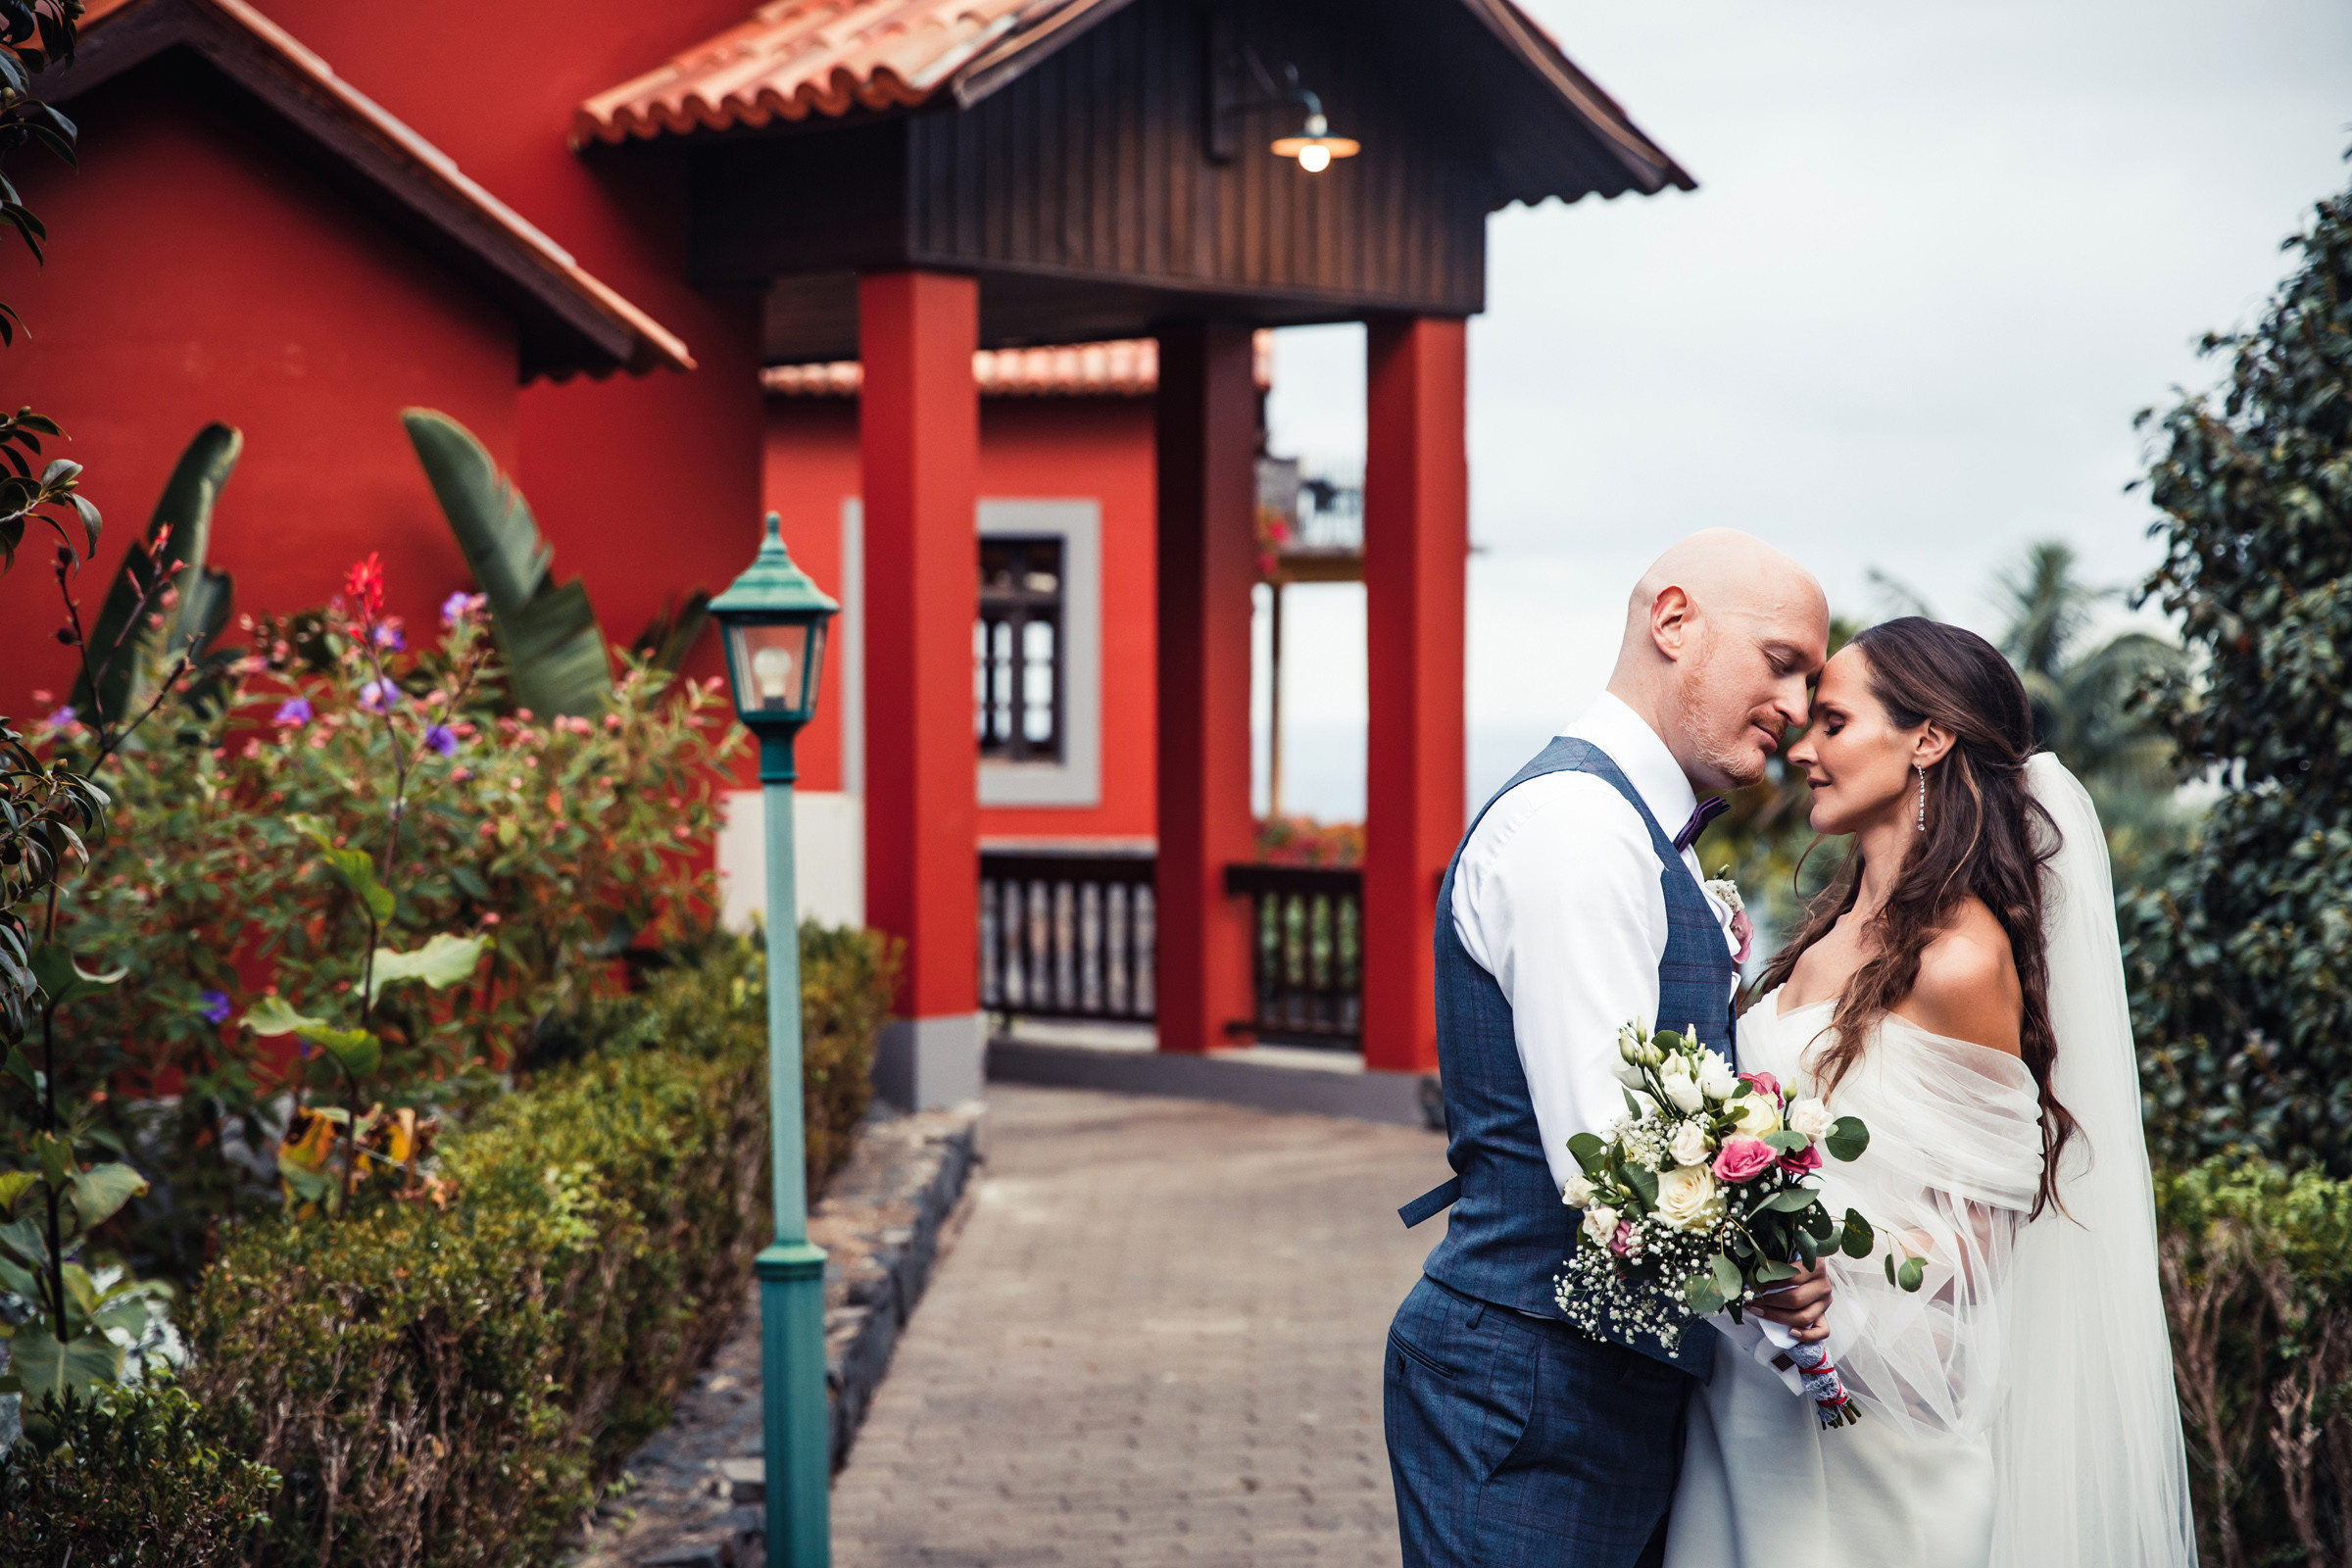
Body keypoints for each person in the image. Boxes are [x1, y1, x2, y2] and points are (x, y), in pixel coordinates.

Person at [1662, 616, 2195, 1567]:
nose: (1804, 748)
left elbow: (1976, 1238)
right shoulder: (1824, 933)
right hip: (1749, 1395)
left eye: (1832, 722)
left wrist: (1821, 1268)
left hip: (1873, 1424)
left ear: (1927, 738)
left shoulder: (1960, 959)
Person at [1385, 529, 1833, 1567]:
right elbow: (1612, 1158)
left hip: (1581, 1385)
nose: (1800, 707)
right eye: (1782, 662)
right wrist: (1771, 1283)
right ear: (1674, 622)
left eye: (1811, 679)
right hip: (1532, 1389)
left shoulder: (1628, 828)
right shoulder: (1578, 828)